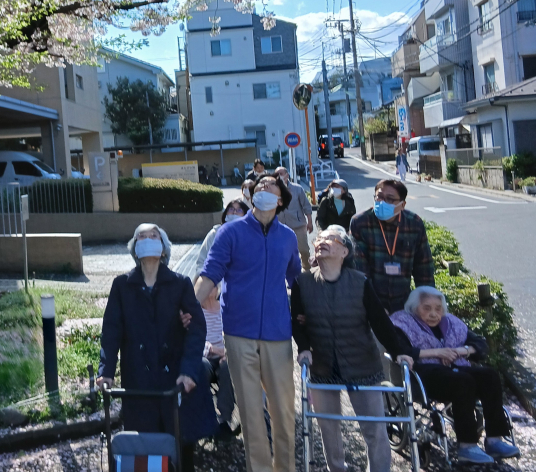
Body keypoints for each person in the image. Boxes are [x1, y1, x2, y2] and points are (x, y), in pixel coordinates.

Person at [194, 172, 301, 472]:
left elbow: (296, 279)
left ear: (280, 201)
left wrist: (309, 312)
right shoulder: (230, 232)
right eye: (259, 185)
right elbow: (210, 273)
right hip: (238, 332)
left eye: (271, 186)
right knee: (251, 413)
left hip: (278, 333)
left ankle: (285, 468)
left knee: (283, 411)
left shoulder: (288, 237)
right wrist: (188, 308)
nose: (263, 187)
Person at [292, 225, 415, 472]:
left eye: (330, 239)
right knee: (328, 426)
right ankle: (337, 468)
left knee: (374, 428)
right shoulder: (302, 283)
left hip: (362, 363)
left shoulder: (360, 282)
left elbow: (380, 321)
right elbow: (297, 321)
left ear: (345, 252)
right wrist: (304, 347)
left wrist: (399, 350)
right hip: (322, 364)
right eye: (319, 238)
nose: (321, 241)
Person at [97, 223, 217, 472]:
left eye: (154, 236)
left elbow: (196, 329)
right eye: (141, 236)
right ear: (134, 248)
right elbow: (111, 331)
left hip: (174, 380)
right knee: (144, 450)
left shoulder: (180, 284)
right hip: (138, 380)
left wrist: (189, 371)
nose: (147, 239)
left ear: (163, 249)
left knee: (180, 448)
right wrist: (106, 370)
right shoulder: (122, 286)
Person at [391, 286, 520, 464]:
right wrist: (438, 352)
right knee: (463, 381)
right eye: (427, 308)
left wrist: (459, 351)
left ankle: (495, 440)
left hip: (455, 368)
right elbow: (400, 350)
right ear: (413, 308)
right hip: (424, 374)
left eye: (438, 309)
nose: (433, 314)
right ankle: (467, 446)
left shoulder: (452, 323)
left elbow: (481, 345)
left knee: (489, 376)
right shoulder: (402, 323)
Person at [350, 179, 434, 313]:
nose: (382, 202)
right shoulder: (360, 222)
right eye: (379, 197)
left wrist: (427, 302)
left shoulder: (414, 223)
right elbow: (360, 269)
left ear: (402, 204)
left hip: (403, 299)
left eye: (390, 199)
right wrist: (373, 306)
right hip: (371, 300)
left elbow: (423, 267)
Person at [201, 283, 238, 442]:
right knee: (201, 367)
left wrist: (228, 353)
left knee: (228, 368)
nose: (212, 287)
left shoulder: (224, 308)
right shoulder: (196, 311)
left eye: (214, 285)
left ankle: (224, 419)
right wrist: (215, 350)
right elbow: (194, 339)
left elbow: (233, 333)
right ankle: (206, 416)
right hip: (205, 356)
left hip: (224, 355)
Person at [195, 199, 249, 279]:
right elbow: (201, 262)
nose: (234, 212)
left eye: (239, 210)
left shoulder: (250, 236)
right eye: (231, 209)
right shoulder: (214, 234)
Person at [275, 166, 313, 270]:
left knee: (304, 250)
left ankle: (307, 270)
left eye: (281, 174)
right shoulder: (273, 190)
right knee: (283, 252)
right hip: (280, 227)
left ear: (287, 175)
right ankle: (287, 274)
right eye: (276, 174)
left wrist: (309, 221)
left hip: (298, 225)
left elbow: (306, 206)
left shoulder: (297, 189)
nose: (279, 176)